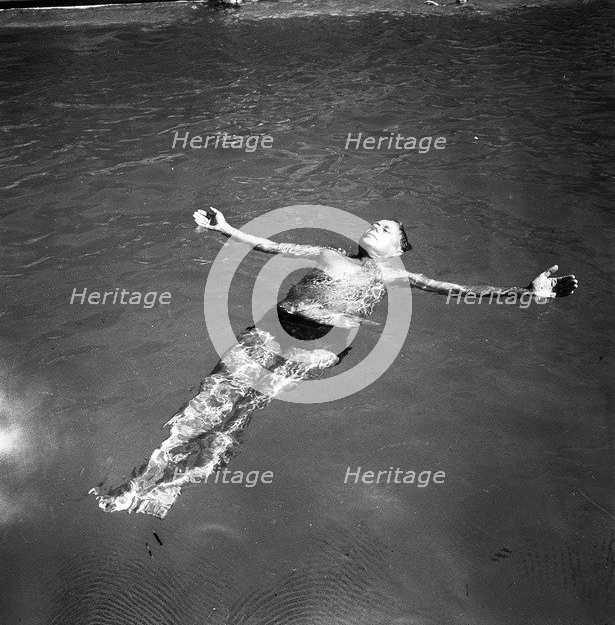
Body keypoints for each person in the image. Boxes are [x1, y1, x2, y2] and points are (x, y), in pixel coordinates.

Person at [90, 207, 577, 518]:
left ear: (397, 247)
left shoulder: (397, 275)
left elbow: (459, 291)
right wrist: (224, 228)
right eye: (374, 222)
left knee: (236, 410)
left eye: (386, 228)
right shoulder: (326, 252)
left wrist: (523, 292)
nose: (374, 227)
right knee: (213, 400)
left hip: (315, 347)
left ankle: (162, 484)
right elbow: (270, 246)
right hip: (274, 331)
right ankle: (151, 480)